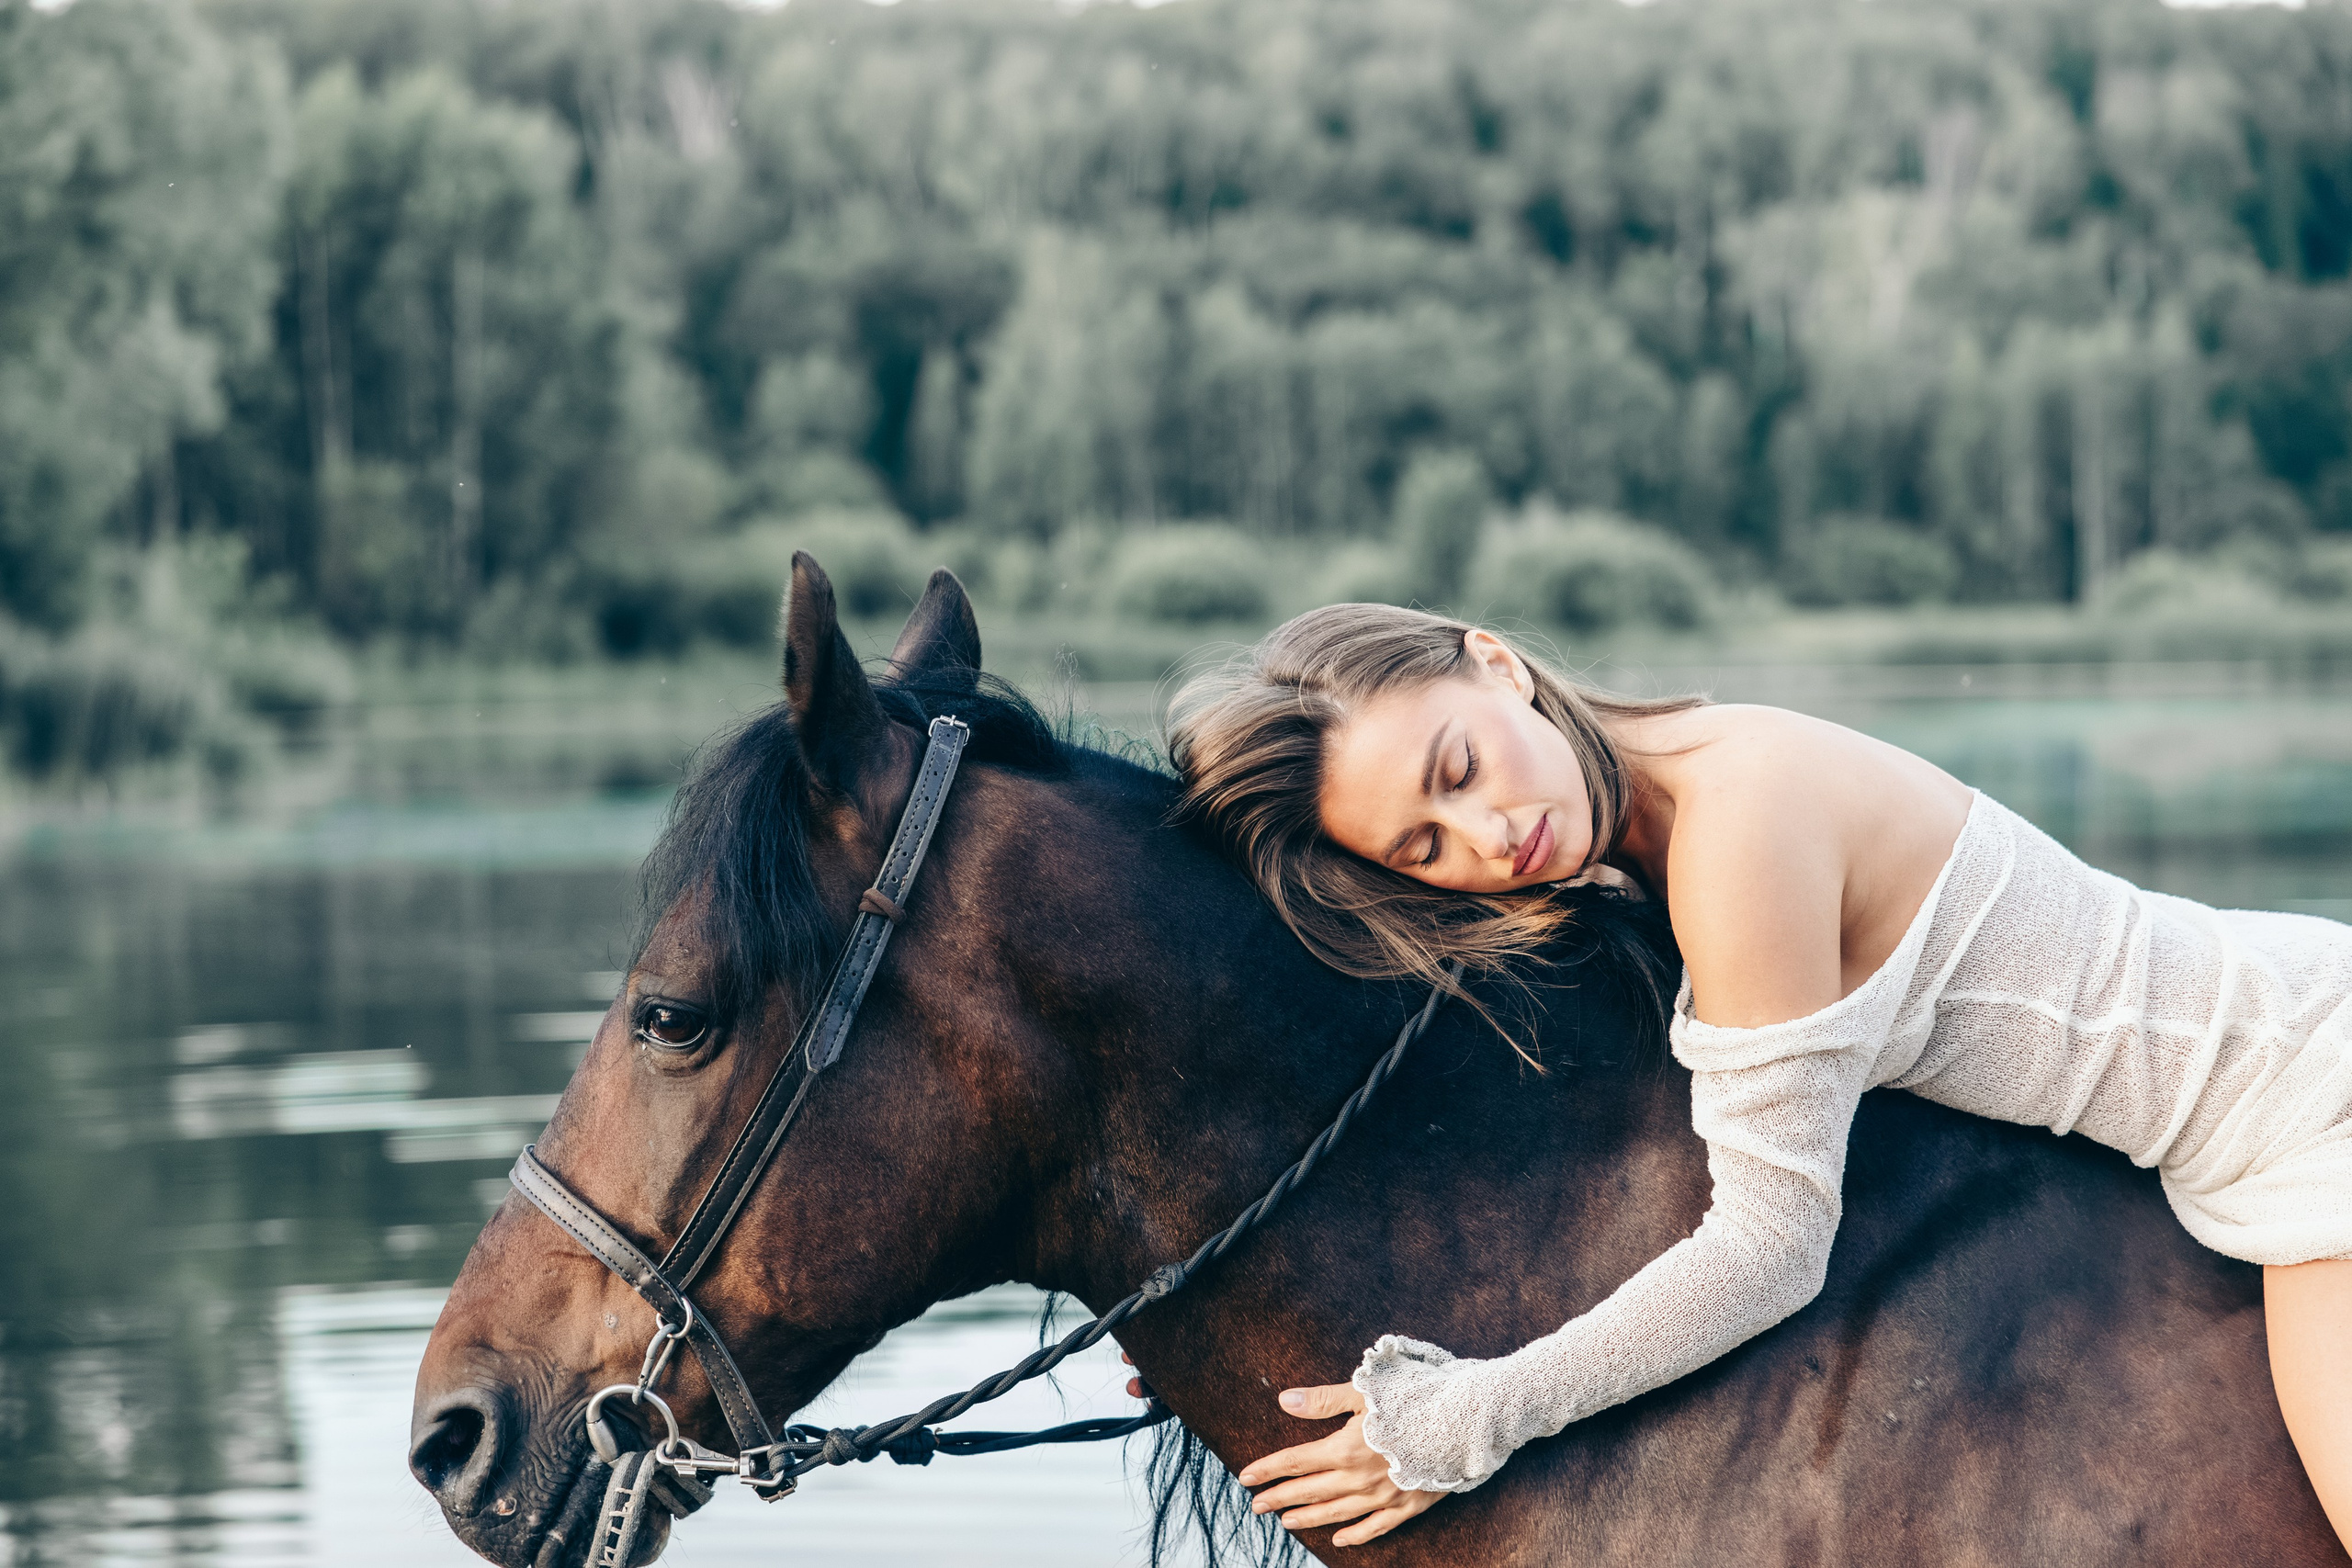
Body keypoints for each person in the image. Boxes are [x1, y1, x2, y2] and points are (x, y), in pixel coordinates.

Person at [1144, 602, 2352, 1550]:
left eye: (1457, 769)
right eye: (1425, 848)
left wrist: (1464, 1423)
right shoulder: (1646, 828)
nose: (1486, 837)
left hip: (2314, 1102)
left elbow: (1774, 1248)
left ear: (1496, 663)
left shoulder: (1736, 829)